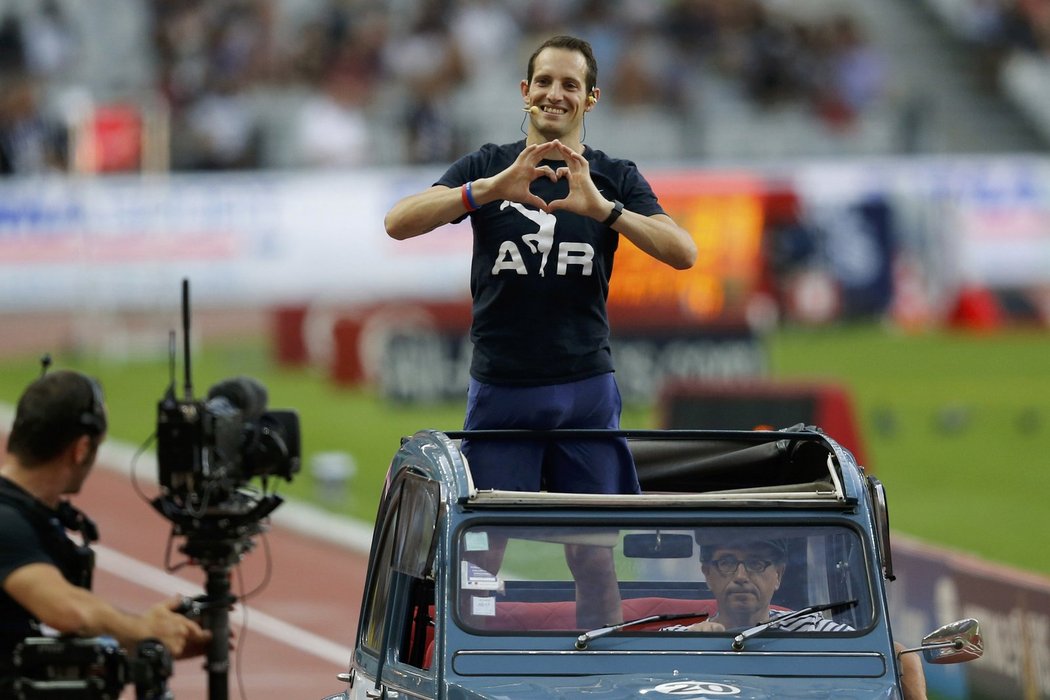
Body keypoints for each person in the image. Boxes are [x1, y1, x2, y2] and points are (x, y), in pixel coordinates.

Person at [384, 34, 696, 627]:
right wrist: (490, 190)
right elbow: (398, 222)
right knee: (480, 551)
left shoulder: (613, 175)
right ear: (525, 92)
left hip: (584, 387)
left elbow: (683, 253)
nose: (556, 94)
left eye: (570, 84)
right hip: (504, 386)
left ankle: (597, 675)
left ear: (591, 98)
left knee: (594, 559)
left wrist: (603, 208)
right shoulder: (486, 165)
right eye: (545, 82)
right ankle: (469, 666)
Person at [0, 370, 210, 692]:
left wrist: (147, 635)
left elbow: (42, 638)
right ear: (81, 449)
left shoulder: (35, 517)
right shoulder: (6, 521)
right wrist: (143, 629)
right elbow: (67, 612)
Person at [664, 535, 928, 700]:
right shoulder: (678, 638)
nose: (741, 576)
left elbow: (897, 656)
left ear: (778, 575)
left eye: (756, 564)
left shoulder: (811, 629)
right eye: (727, 563)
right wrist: (693, 647)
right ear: (708, 573)